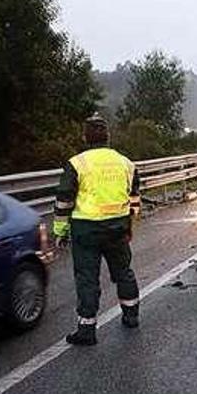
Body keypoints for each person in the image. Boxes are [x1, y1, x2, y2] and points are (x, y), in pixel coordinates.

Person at [53, 113, 142, 346]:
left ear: (85, 137)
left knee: (87, 278)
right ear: (108, 137)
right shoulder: (126, 163)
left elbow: (64, 200)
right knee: (123, 271)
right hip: (118, 227)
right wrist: (130, 225)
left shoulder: (77, 163)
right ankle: (131, 316)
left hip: (86, 229)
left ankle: (87, 330)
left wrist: (60, 231)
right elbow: (134, 200)